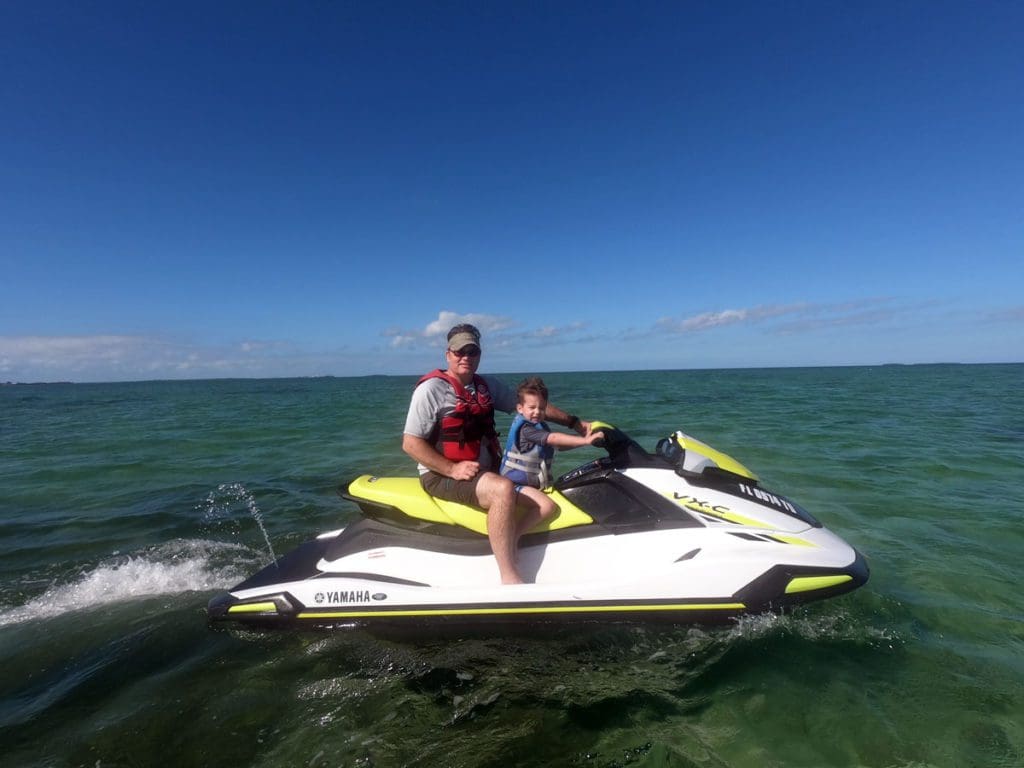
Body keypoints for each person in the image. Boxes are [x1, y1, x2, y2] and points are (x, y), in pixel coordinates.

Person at [402, 323, 589, 584]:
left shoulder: (485, 387)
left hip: (483, 472)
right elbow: (411, 444)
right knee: (502, 489)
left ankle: (521, 540)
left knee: (546, 502)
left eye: (472, 351)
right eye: (459, 351)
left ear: (479, 355)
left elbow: (529, 406)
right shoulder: (431, 390)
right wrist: (451, 468)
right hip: (441, 475)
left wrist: (575, 423)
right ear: (448, 354)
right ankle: (509, 577)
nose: (466, 356)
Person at [500, 376, 602, 538]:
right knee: (547, 506)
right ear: (520, 408)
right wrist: (585, 441)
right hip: (514, 486)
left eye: (541, 408)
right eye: (531, 407)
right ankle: (514, 536)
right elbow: (553, 439)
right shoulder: (526, 430)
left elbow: (559, 445)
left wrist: (585, 439)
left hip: (529, 485)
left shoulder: (539, 426)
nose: (536, 412)